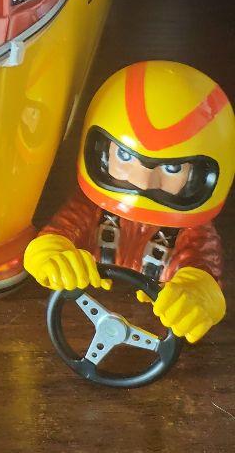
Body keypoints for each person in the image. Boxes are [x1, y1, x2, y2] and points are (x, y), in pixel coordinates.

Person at [24, 60, 232, 344]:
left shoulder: (193, 229)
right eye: (125, 157)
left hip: (151, 319)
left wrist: (197, 295)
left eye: (172, 168)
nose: (144, 181)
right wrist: (50, 257)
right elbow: (56, 235)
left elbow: (203, 268)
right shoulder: (91, 207)